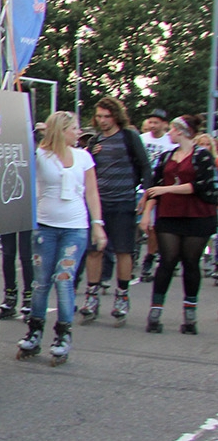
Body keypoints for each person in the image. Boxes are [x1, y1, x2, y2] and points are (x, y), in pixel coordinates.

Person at [17, 111, 105, 362]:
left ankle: (63, 334)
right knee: (41, 281)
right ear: (61, 130)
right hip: (45, 226)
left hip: (75, 227)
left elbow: (91, 193)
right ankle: (34, 331)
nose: (79, 132)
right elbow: (23, 162)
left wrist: (97, 224)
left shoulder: (84, 157)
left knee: (64, 278)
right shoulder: (41, 156)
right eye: (74, 128)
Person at [139, 114, 217, 334]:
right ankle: (155, 311)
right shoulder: (167, 156)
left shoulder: (202, 156)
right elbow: (155, 186)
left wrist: (166, 189)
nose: (169, 133)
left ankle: (190, 314)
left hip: (197, 215)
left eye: (172, 129)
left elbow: (199, 185)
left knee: (191, 262)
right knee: (167, 260)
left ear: (182, 131)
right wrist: (147, 214)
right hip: (169, 215)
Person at [80, 96, 151, 323]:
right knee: (94, 250)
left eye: (107, 116)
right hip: (99, 203)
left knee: (123, 250)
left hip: (124, 201)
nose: (102, 120)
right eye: (99, 116)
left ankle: (122, 296)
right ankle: (92, 295)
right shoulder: (95, 141)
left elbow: (145, 166)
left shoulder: (129, 137)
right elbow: (87, 168)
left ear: (116, 116)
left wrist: (145, 194)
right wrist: (92, 152)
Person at [138, 108, 175, 282]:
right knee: (138, 225)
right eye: (150, 122)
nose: (153, 125)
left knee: (153, 226)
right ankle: (135, 253)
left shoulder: (170, 142)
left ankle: (151, 256)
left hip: (160, 186)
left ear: (164, 124)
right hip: (140, 186)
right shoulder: (142, 139)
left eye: (156, 122)